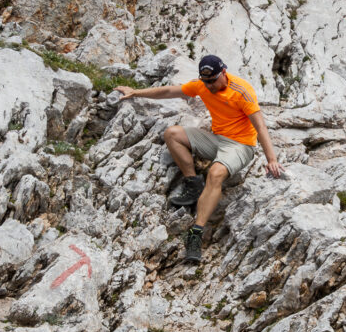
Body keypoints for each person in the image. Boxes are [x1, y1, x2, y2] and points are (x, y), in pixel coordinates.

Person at [116, 54, 283, 263]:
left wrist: (271, 159)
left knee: (215, 173)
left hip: (240, 146)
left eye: (213, 81)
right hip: (216, 139)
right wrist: (135, 92)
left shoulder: (241, 90)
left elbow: (260, 126)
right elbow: (170, 91)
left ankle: (196, 233)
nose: (209, 86)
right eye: (206, 81)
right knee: (172, 134)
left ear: (223, 72)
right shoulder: (202, 86)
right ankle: (193, 183)